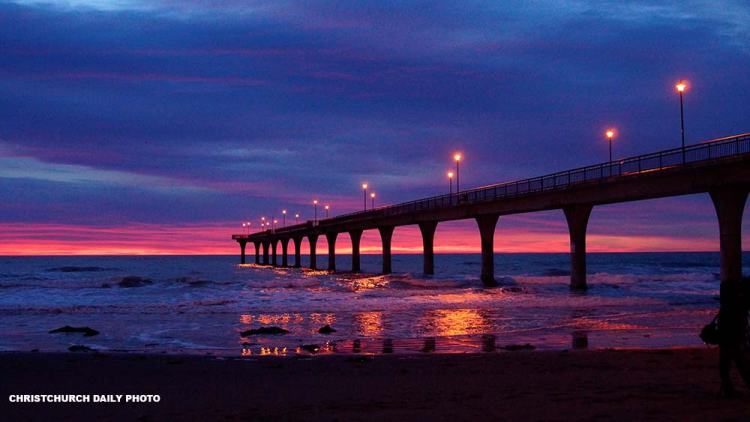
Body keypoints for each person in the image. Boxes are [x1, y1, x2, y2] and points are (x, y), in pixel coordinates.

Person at [718, 277, 750, 397]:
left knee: (727, 360)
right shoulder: (740, 301)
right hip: (734, 331)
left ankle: (727, 387)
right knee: (740, 361)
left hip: (727, 331)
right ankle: (727, 388)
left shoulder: (729, 300)